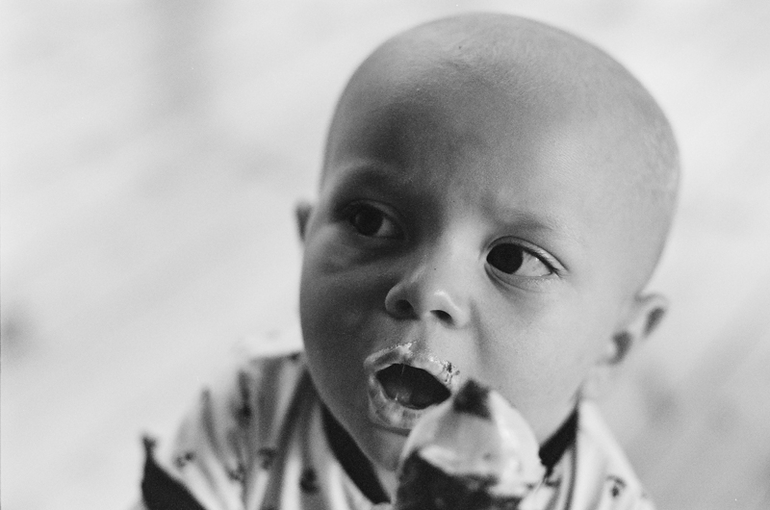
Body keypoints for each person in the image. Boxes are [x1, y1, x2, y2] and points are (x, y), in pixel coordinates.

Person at [136, 12, 679, 510]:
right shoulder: (250, 410)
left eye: (513, 259)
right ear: (307, 238)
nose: (427, 288)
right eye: (371, 221)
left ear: (613, 345)